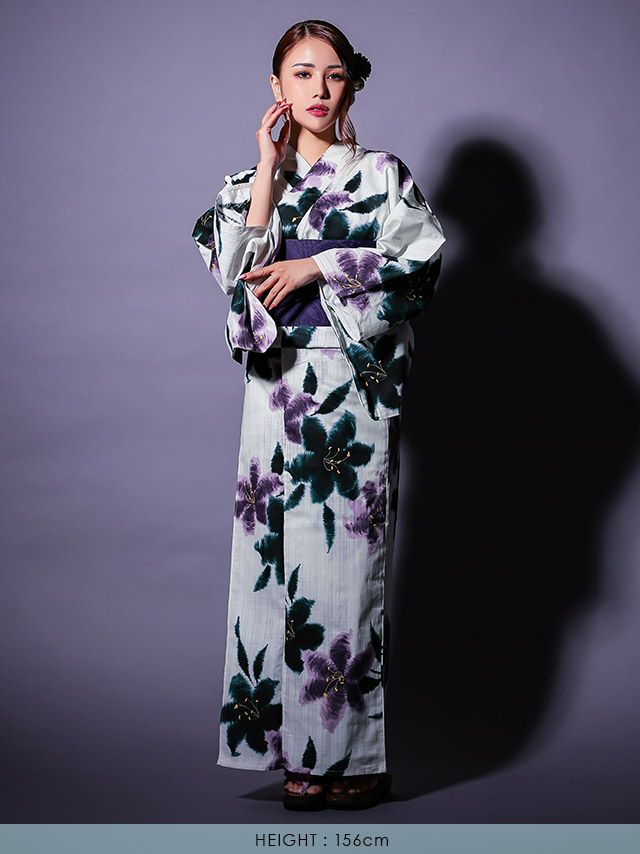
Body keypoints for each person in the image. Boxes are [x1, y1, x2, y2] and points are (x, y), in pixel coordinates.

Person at [192, 19, 446, 811]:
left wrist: (318, 266)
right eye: (302, 74)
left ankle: (349, 758)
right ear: (276, 87)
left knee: (343, 574)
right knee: (270, 570)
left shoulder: (381, 176)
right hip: (274, 390)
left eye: (333, 74)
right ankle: (292, 754)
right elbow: (234, 277)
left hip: (346, 393)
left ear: (351, 86)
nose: (318, 90)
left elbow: (420, 263)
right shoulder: (247, 182)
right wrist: (268, 173)